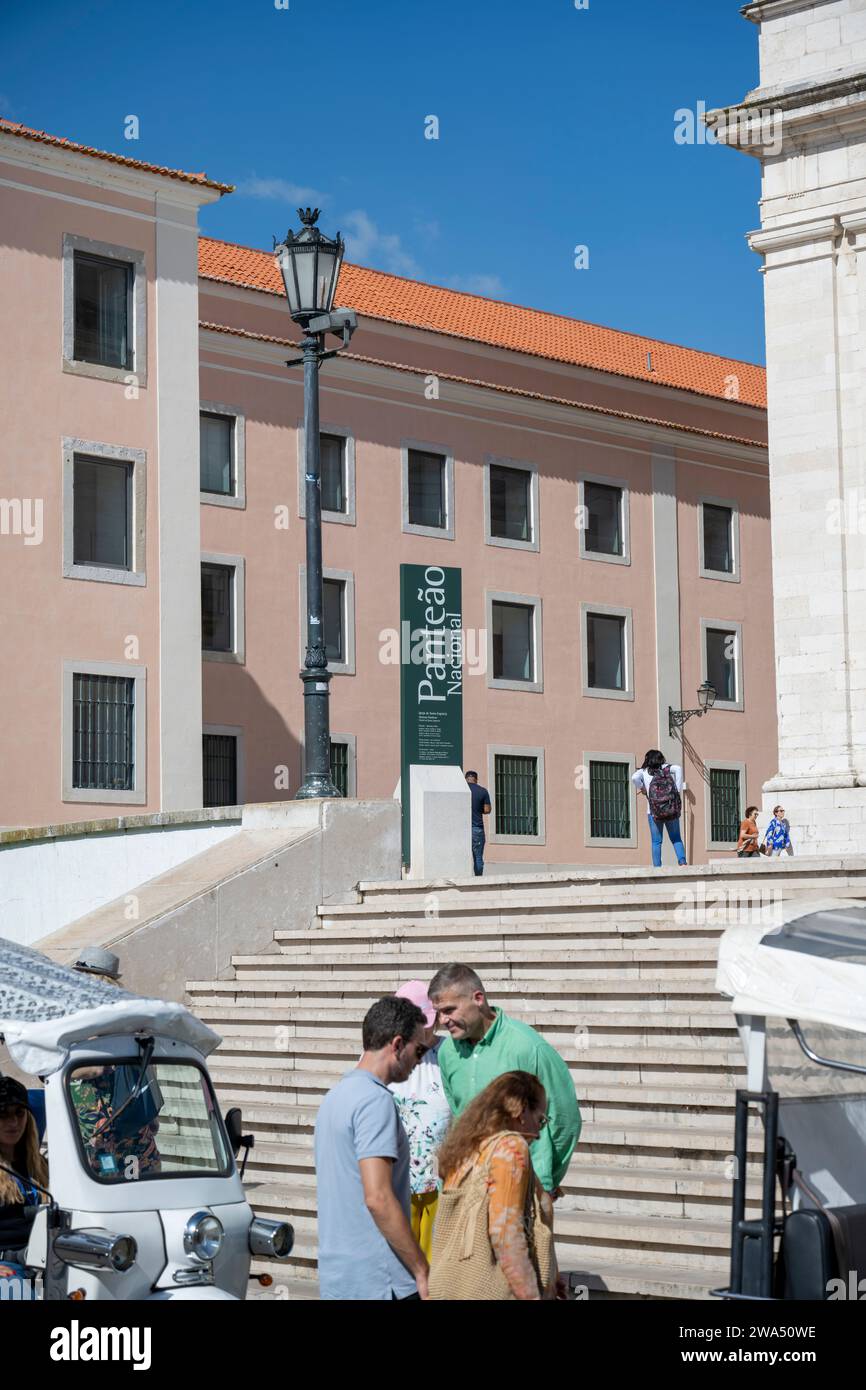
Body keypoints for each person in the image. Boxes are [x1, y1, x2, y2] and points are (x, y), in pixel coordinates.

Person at [428, 963, 581, 1196]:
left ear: (478, 998)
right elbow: (459, 1116)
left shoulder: (527, 1047)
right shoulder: (447, 1052)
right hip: (468, 1188)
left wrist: (543, 1181)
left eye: (449, 1010)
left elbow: (564, 1120)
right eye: (438, 1013)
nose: (442, 1020)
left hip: (521, 1188)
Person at [314, 995, 430, 1300]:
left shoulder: (335, 1097)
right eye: (419, 1050)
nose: (420, 1061)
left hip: (340, 1277)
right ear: (397, 1044)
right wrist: (421, 1269)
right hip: (380, 1278)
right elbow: (378, 1197)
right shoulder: (375, 1101)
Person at [428, 1071, 558, 1301]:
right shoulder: (511, 1147)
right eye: (540, 1120)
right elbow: (506, 1234)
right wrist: (530, 1294)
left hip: (448, 1287)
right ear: (521, 1111)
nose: (538, 1133)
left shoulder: (466, 1150)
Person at [388, 981, 452, 1262]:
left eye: (425, 1022)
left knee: (435, 1267)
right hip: (397, 1182)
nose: (420, 1030)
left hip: (441, 1182)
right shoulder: (385, 1054)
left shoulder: (451, 1053)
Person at [0, 1075, 48, 1291]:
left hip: (47, 1259)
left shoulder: (41, 1165)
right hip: (8, 1266)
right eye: (3, 1114)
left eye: (19, 1113)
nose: (13, 1123)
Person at [632, 750, 687, 867]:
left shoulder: (644, 771)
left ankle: (657, 868)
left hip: (653, 812)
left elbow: (634, 778)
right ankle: (682, 862)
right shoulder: (665, 768)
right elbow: (678, 768)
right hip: (671, 808)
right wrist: (677, 791)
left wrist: (642, 788)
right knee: (676, 838)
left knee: (656, 841)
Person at [465, 770, 491, 876]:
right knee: (478, 857)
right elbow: (487, 810)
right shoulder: (483, 791)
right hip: (477, 828)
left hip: (462, 828)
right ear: (476, 779)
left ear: (466, 778)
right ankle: (478, 879)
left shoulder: (461, 789)